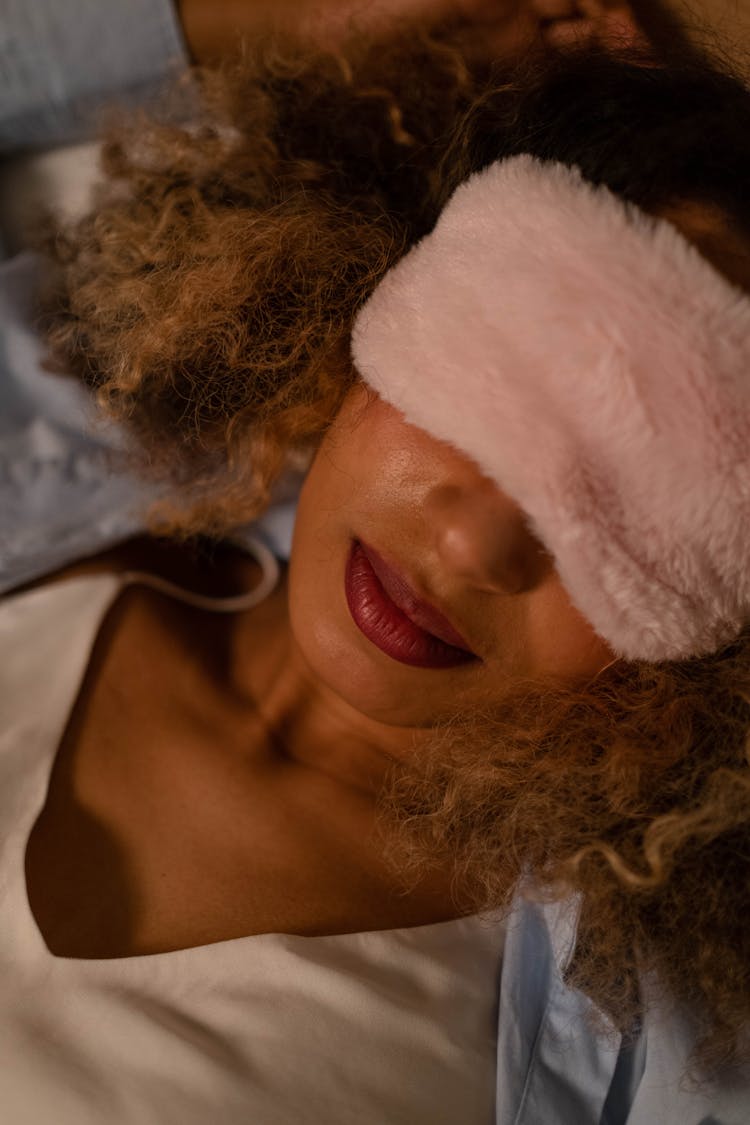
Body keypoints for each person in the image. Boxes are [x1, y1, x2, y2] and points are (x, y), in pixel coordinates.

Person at [2, 9, 750, 1125]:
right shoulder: (65, 440)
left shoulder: (675, 1059)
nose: (472, 547)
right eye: (499, 384)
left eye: (651, 509)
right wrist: (255, 22)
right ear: (391, 276)